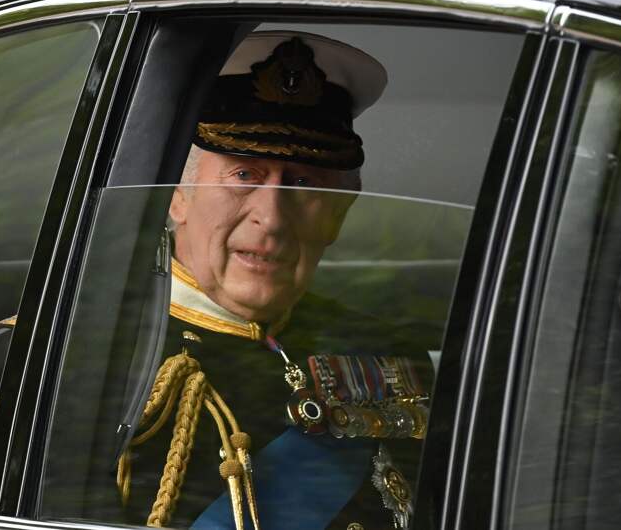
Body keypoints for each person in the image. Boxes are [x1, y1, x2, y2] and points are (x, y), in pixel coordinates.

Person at [114, 31, 433, 530]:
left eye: (304, 183)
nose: (274, 217)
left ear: (339, 214)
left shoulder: (387, 354)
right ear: (178, 194)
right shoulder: (77, 357)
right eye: (245, 175)